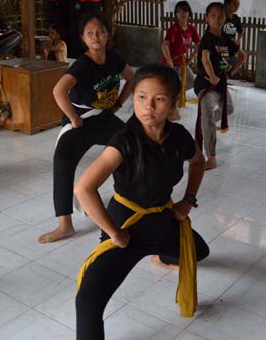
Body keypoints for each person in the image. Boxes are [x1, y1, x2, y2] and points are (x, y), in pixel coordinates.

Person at [74, 64, 209, 339]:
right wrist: (113, 233)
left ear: (172, 103)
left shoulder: (178, 136)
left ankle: (159, 255)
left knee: (199, 251)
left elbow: (198, 162)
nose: (149, 107)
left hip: (162, 219)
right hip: (127, 226)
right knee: (87, 301)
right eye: (141, 97)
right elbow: (83, 188)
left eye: (159, 99)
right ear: (133, 97)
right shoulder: (124, 141)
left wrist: (188, 200)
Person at [38, 14, 134, 244]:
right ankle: (65, 225)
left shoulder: (114, 57)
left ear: (107, 34)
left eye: (100, 31)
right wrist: (73, 118)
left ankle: (125, 200)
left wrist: (118, 104)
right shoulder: (81, 65)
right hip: (80, 120)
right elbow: (58, 91)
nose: (96, 37)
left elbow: (131, 79)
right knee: (62, 162)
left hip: (104, 118)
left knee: (132, 145)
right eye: (90, 33)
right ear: (83, 38)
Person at [194, 2, 247, 170]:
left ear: (225, 19)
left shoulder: (225, 39)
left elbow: (242, 56)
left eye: (220, 16)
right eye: (213, 16)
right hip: (206, 83)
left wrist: (230, 72)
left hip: (220, 82)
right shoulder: (207, 39)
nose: (217, 19)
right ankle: (211, 157)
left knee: (229, 109)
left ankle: (206, 124)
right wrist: (212, 76)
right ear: (207, 18)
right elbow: (205, 59)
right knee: (208, 115)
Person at [161, 0, 200, 120]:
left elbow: (199, 44)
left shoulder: (191, 29)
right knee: (168, 87)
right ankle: (168, 113)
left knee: (192, 81)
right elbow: (164, 45)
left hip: (182, 62)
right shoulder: (174, 29)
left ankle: (177, 97)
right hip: (170, 63)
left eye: (185, 11)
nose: (182, 14)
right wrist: (170, 62)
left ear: (189, 13)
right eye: (179, 12)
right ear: (176, 14)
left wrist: (191, 59)